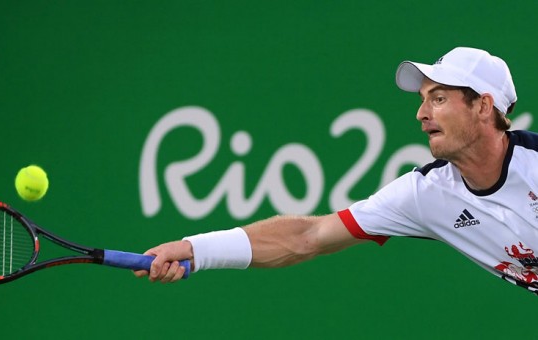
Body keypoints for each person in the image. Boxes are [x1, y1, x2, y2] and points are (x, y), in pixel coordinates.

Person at [134, 47, 538, 295]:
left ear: (483, 107)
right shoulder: (426, 193)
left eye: (439, 97)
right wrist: (195, 249)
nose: (421, 113)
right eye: (422, 99)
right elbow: (308, 236)